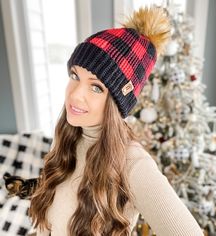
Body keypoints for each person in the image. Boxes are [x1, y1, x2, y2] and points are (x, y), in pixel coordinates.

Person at [29, 5, 204, 236]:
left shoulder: (132, 163)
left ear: (117, 103)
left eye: (96, 87)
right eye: (74, 76)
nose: (75, 94)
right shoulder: (67, 137)